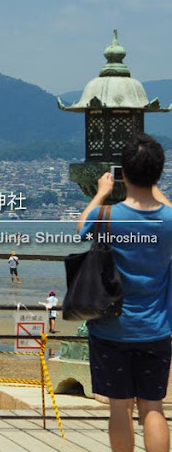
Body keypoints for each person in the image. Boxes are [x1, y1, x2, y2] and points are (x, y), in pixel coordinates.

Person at [77, 133, 172, 452]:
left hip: (111, 328)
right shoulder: (168, 219)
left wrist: (102, 193)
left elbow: (81, 226)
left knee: (120, 408)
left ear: (123, 174)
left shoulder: (107, 216)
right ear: (158, 174)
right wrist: (156, 190)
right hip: (155, 329)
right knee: (153, 407)